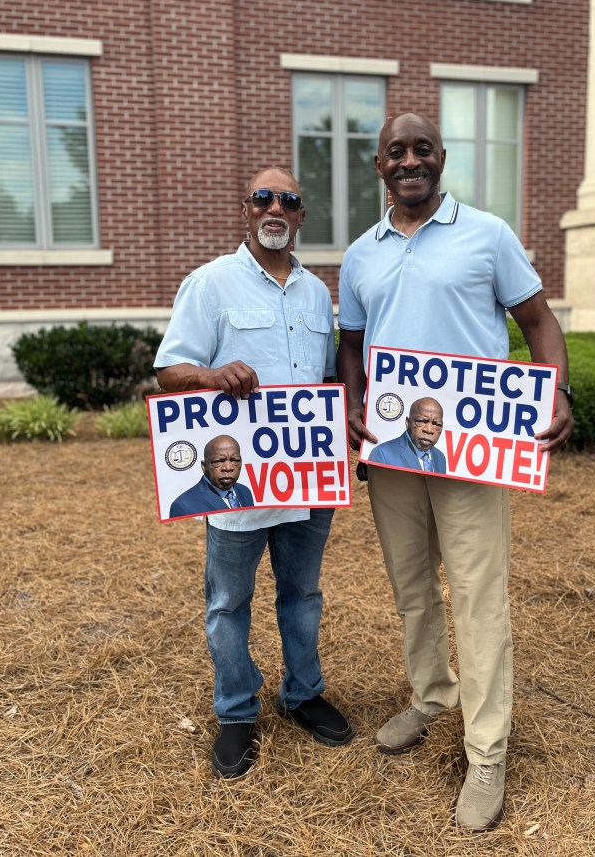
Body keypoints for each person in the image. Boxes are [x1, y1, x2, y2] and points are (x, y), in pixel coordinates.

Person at [337, 113, 574, 832]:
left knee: (478, 594)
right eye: (396, 152)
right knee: (412, 586)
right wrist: (351, 401)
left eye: (422, 150)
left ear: (441, 159)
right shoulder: (360, 254)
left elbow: (539, 323)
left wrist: (555, 387)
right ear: (378, 165)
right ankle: (432, 696)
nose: (409, 160)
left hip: (474, 448)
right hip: (393, 451)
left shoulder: (487, 234)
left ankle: (487, 750)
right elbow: (352, 343)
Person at [154, 167, 353, 781]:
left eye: (288, 200)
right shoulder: (210, 284)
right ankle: (236, 712)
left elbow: (326, 384)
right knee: (228, 602)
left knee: (304, 597)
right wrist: (213, 377)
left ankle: (303, 694)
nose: (275, 207)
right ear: (246, 210)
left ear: (300, 216)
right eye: (263, 197)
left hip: (307, 483)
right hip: (237, 486)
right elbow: (169, 371)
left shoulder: (318, 293)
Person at [169, 435, 254, 518]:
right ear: (204, 466)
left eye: (235, 460)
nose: (228, 468)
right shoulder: (184, 506)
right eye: (218, 461)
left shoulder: (245, 492)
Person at [369, 397, 446, 473]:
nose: (429, 430)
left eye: (437, 424)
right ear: (408, 423)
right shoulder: (383, 454)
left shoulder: (440, 457)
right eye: (421, 421)